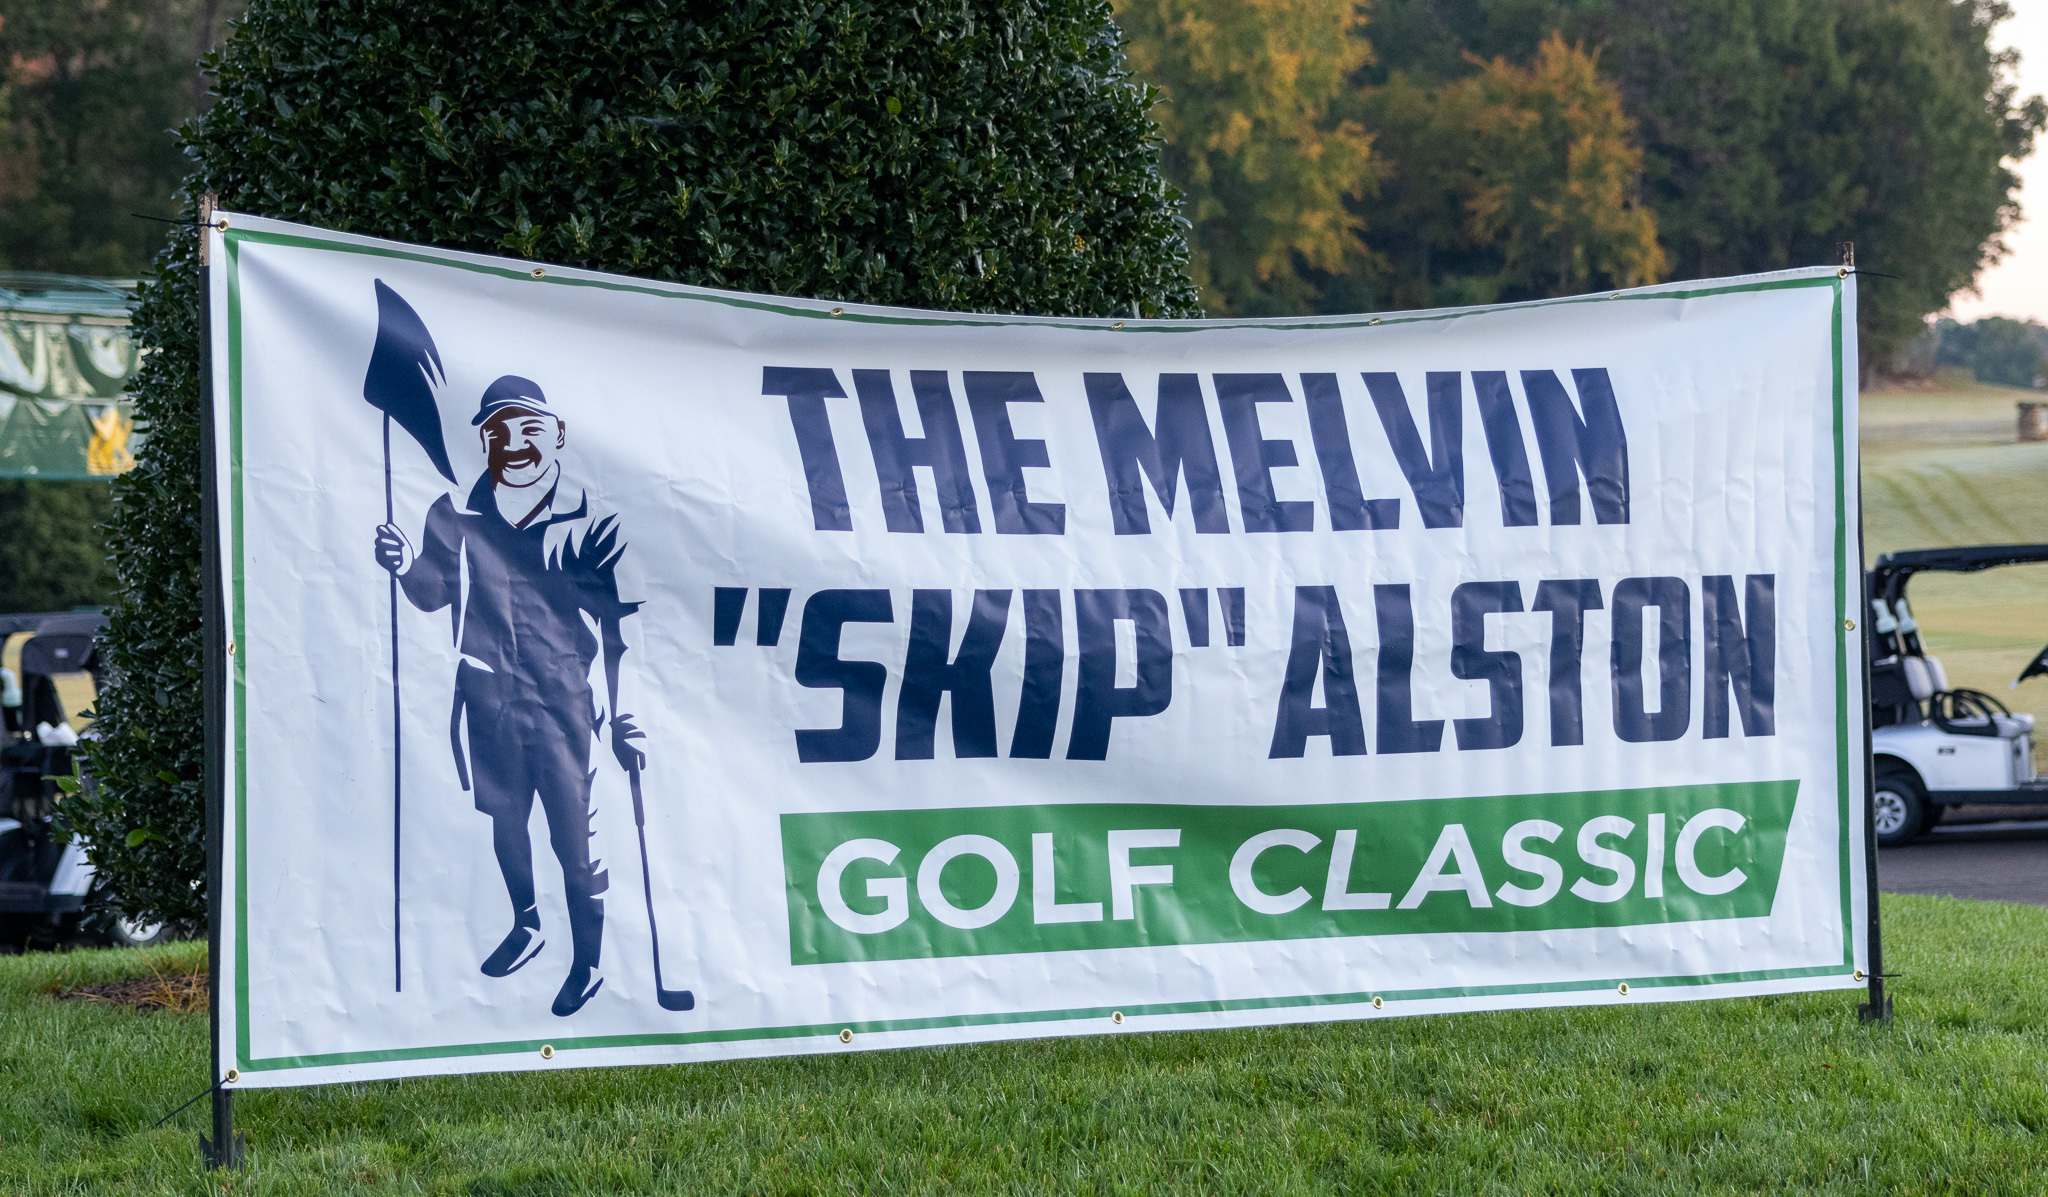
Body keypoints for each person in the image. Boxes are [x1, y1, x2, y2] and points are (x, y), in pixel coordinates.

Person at [373, 375, 643, 1017]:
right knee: (505, 819)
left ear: (557, 434)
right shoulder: (454, 513)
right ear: (484, 443)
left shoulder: (592, 519)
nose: (513, 441)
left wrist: (623, 715)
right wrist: (405, 564)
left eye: (528, 427)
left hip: (566, 705)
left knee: (576, 838)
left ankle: (588, 962)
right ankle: (527, 923)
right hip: (486, 697)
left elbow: (620, 628)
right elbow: (432, 593)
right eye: (498, 431)